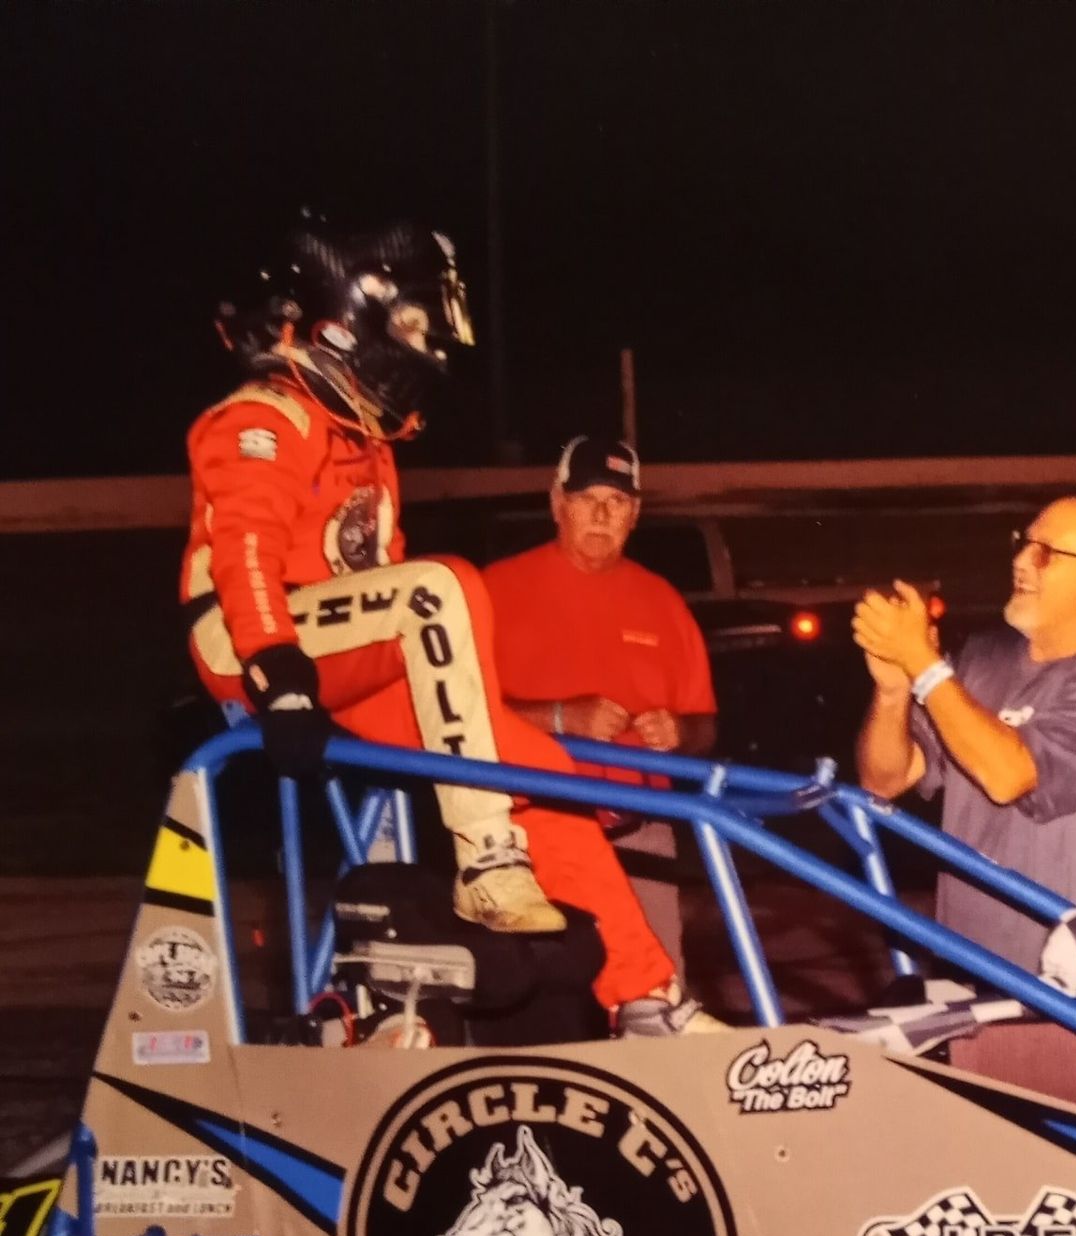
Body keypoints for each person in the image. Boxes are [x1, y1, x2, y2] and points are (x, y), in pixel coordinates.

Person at [181, 215, 710, 1035]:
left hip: (341, 650)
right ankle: (485, 857)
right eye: (414, 324)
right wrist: (278, 676)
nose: (425, 346)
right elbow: (243, 555)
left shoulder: (366, 436)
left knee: (538, 769)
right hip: (251, 639)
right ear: (347, 316)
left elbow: (372, 572)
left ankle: (647, 995)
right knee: (445, 582)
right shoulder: (267, 414)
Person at [854, 496, 1076, 971]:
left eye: (1047, 553)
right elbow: (885, 780)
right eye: (1023, 544)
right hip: (969, 963)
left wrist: (923, 664)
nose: (1020, 561)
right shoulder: (980, 660)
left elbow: (1009, 777)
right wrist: (894, 692)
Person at [485, 436, 717, 973]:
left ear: (634, 515)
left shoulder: (663, 601)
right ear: (556, 503)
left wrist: (680, 730)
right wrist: (562, 718)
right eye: (588, 497)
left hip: (641, 838)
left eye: (617, 502)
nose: (601, 514)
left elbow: (706, 724)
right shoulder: (494, 590)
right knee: (542, 1011)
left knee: (655, 1004)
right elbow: (455, 713)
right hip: (529, 837)